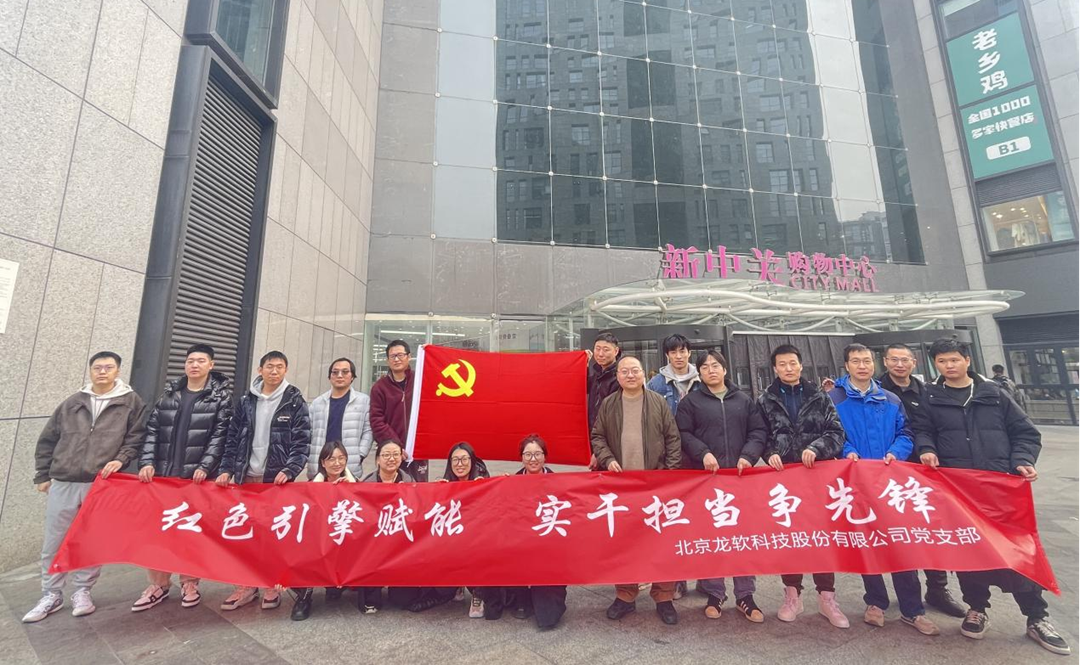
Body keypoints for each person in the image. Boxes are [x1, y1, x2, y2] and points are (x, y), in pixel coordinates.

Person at [913, 338, 1069, 655]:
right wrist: (926, 449)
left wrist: (1022, 460)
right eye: (941, 361)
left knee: (1016, 551)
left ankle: (1037, 617)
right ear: (935, 364)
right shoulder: (930, 396)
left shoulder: (994, 393)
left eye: (954, 359)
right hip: (958, 491)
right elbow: (922, 431)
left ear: (967, 360)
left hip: (1000, 489)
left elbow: (1025, 433)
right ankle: (976, 609)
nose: (948, 365)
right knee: (969, 551)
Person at [24, 351, 147, 624]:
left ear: (117, 371)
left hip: (100, 484)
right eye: (97, 367)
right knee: (55, 541)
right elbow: (48, 439)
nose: (102, 372)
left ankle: (82, 591)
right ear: (90, 371)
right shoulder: (73, 402)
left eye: (108, 367)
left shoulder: (131, 402)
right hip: (64, 480)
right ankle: (51, 593)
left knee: (91, 540)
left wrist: (121, 459)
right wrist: (42, 475)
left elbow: (135, 438)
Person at [828, 343, 939, 636]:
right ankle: (875, 602)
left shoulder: (890, 399)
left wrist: (896, 452)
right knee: (867, 542)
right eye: (856, 361)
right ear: (846, 366)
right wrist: (847, 452)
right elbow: (832, 433)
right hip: (855, 481)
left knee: (901, 543)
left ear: (874, 364)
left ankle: (913, 610)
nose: (862, 366)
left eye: (867, 361)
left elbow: (906, 432)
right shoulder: (834, 398)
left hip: (890, 482)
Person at [133, 344, 233, 612]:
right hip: (163, 478)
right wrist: (146, 462)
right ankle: (158, 585)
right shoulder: (170, 394)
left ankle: (190, 583)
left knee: (191, 533)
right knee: (159, 534)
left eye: (201, 361)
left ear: (211, 365)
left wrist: (206, 466)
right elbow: (153, 430)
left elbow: (220, 436)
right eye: (190, 360)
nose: (195, 365)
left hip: (195, 480)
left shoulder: (219, 398)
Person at [757, 344, 848, 629]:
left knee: (821, 537)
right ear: (775, 368)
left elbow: (836, 432)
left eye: (792, 363)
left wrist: (817, 448)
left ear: (800, 365)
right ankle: (792, 595)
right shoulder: (766, 399)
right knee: (790, 537)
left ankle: (827, 597)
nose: (788, 368)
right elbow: (760, 434)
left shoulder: (819, 396)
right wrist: (770, 452)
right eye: (782, 364)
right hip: (784, 479)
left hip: (816, 477)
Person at [675, 349, 767, 623]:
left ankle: (745, 595)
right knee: (712, 537)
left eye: (715, 365)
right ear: (699, 373)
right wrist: (703, 453)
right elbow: (682, 433)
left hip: (739, 479)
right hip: (708, 481)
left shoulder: (743, 400)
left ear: (725, 369)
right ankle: (715, 593)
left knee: (741, 539)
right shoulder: (691, 402)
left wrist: (748, 456)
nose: (711, 370)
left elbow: (758, 431)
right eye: (705, 367)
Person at [215, 351, 311, 612]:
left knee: (272, 535)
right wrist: (226, 469)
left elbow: (302, 440)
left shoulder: (294, 401)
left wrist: (290, 469)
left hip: (275, 480)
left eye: (280, 367)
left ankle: (271, 585)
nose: (274, 371)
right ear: (260, 370)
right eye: (270, 366)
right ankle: (245, 586)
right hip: (246, 477)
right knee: (244, 534)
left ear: (286, 370)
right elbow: (233, 437)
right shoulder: (246, 401)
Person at [592, 356, 683, 625]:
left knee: (660, 542)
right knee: (624, 543)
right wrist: (608, 459)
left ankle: (664, 597)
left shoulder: (658, 402)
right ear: (618, 376)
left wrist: (669, 475)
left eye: (635, 370)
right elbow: (597, 436)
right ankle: (625, 595)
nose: (630, 375)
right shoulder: (609, 404)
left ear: (644, 374)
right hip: (621, 488)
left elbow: (673, 438)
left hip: (655, 485)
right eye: (625, 371)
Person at [880, 343, 965, 618]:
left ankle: (937, 588)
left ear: (914, 362)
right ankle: (908, 595)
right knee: (899, 535)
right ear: (885, 361)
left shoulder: (928, 392)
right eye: (894, 359)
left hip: (925, 472)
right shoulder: (877, 391)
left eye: (904, 359)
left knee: (930, 531)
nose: (899, 364)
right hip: (888, 473)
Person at [485, 435, 567, 629]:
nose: (533, 459)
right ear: (521, 458)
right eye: (528, 454)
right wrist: (501, 486)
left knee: (549, 615)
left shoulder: (559, 482)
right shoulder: (513, 481)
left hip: (548, 546)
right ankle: (521, 596)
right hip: (521, 545)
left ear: (545, 457)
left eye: (538, 454)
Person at [645, 333, 699, 599]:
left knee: (700, 519)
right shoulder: (656, 383)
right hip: (669, 460)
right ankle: (677, 579)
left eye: (682, 351)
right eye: (673, 352)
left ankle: (708, 577)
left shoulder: (703, 379)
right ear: (667, 355)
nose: (678, 356)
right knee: (673, 520)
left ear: (689, 352)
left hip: (699, 457)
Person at [409, 442, 492, 616]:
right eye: (455, 460)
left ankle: (478, 593)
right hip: (452, 542)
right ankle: (456, 584)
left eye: (464, 459)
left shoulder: (483, 482)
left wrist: (496, 485)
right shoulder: (445, 483)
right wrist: (434, 493)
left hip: (476, 541)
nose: (460, 464)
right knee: (442, 586)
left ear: (472, 461)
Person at [292, 440, 358, 621]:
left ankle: (337, 585)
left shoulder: (356, 484)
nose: (337, 463)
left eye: (341, 458)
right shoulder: (311, 486)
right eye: (331, 459)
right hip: (319, 540)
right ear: (322, 462)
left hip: (344, 540)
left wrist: (349, 490)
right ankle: (304, 597)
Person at [360, 440, 417, 613]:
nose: (391, 459)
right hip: (374, 543)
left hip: (401, 544)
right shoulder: (367, 483)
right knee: (370, 599)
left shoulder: (410, 481)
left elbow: (417, 513)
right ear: (377, 459)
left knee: (403, 599)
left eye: (395, 454)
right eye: (386, 455)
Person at [370, 340, 427, 481]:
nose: (396, 359)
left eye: (400, 355)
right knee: (392, 487)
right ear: (387, 360)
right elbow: (376, 421)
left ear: (409, 357)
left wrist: (429, 354)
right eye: (392, 356)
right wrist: (396, 446)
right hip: (392, 452)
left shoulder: (420, 381)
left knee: (419, 488)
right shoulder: (379, 387)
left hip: (419, 450)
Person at [307, 358, 373, 480]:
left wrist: (360, 454)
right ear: (329, 377)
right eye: (335, 372)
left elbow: (368, 431)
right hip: (320, 468)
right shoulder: (317, 403)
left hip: (350, 465)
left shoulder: (363, 401)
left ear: (352, 376)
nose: (340, 375)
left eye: (345, 372)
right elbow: (308, 433)